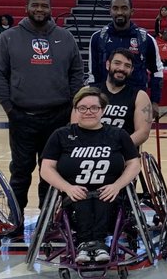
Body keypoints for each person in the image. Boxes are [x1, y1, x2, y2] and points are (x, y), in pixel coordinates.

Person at [0, 0, 86, 231]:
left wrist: (73, 103)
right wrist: (9, 107)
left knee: (51, 170)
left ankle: (48, 220)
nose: (40, 9)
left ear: (51, 9)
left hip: (58, 116)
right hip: (22, 115)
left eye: (44, 5)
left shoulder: (65, 37)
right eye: (36, 5)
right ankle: (15, 219)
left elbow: (76, 72)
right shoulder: (9, 37)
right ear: (26, 8)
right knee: (21, 170)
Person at [41, 87, 141, 265]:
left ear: (102, 110)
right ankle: (87, 244)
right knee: (83, 196)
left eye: (94, 108)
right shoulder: (61, 135)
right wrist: (67, 188)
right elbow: (46, 168)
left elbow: (134, 164)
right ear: (75, 110)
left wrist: (117, 185)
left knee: (102, 195)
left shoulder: (118, 135)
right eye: (83, 108)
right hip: (73, 196)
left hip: (111, 195)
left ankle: (97, 244)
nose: (88, 112)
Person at [88, 0, 163, 106]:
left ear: (132, 11)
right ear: (110, 11)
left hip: (136, 101)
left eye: (124, 8)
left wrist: (155, 101)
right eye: (115, 8)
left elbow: (157, 71)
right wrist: (94, 100)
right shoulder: (97, 38)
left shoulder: (145, 39)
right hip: (106, 101)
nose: (119, 12)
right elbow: (93, 74)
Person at [99, 48, 153, 148]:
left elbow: (143, 133)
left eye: (127, 66)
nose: (122, 68)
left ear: (131, 70)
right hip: (90, 153)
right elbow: (76, 126)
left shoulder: (140, 96)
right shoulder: (89, 92)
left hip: (124, 155)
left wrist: (115, 150)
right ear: (108, 65)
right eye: (117, 63)